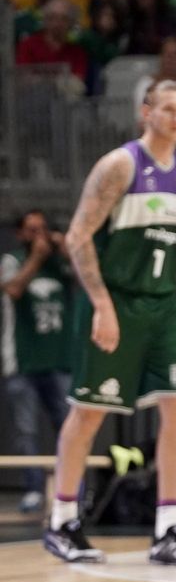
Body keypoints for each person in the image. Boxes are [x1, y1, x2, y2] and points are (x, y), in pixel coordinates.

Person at [43, 80, 176, 566]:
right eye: (168, 108)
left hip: (163, 304)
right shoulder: (121, 164)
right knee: (90, 411)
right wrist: (101, 303)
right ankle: (62, 521)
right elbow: (77, 236)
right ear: (146, 113)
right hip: (115, 300)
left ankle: (168, 529)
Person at [2, 211, 73, 513]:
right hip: (23, 362)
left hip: (59, 360)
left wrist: (66, 245)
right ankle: (33, 488)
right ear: (19, 234)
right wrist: (36, 258)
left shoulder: (60, 264)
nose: (39, 236)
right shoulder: (12, 260)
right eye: (31, 230)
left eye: (43, 229)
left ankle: (70, 491)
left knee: (70, 428)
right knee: (26, 429)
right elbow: (14, 289)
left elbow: (90, 274)